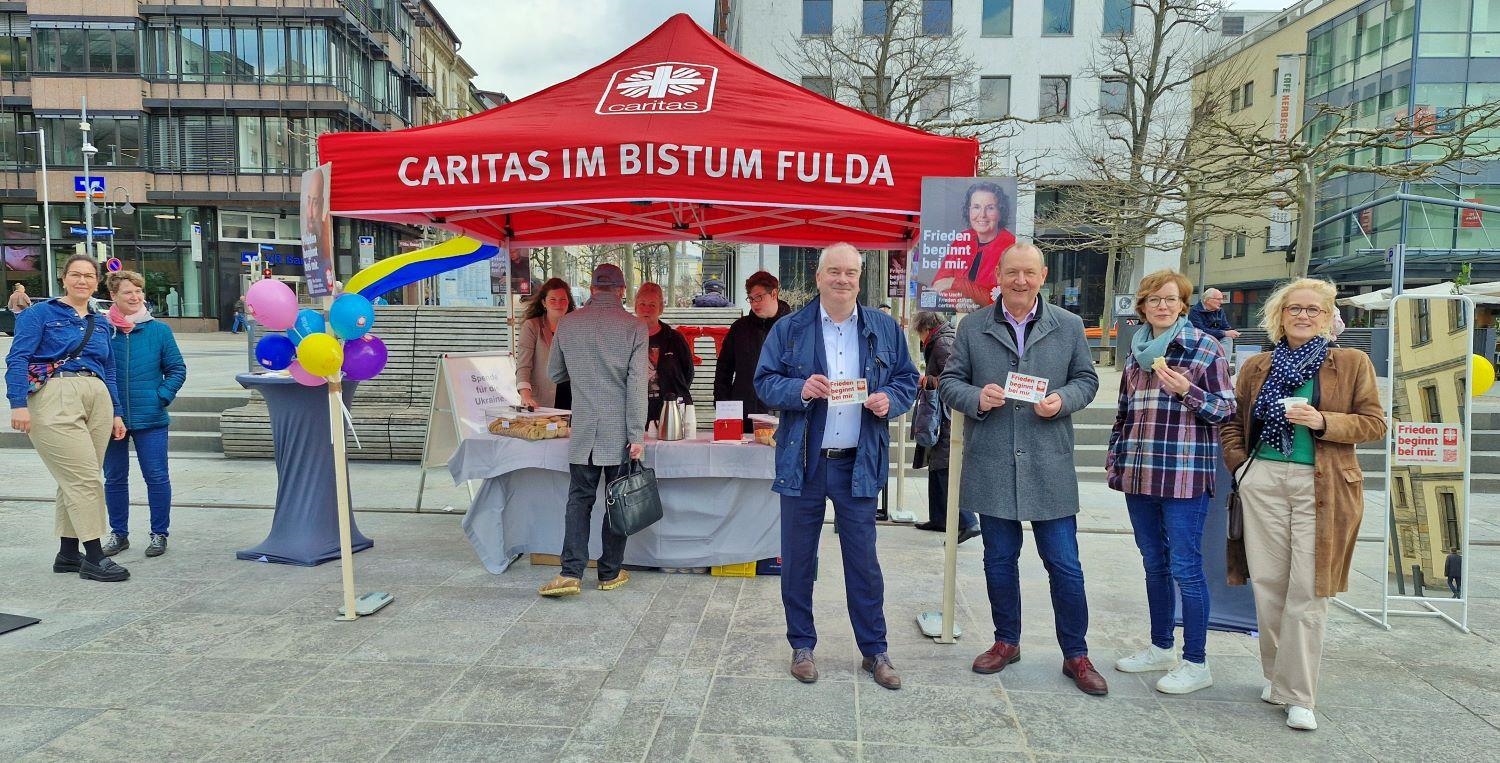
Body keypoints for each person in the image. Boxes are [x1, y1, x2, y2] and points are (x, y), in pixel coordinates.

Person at [937, 242, 1107, 695]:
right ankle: (1005, 641)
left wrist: (1063, 400)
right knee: (998, 561)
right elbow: (949, 382)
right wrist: (976, 398)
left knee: (1064, 564)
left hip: (1048, 462)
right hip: (992, 460)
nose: (1020, 281)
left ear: (1043, 275)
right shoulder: (972, 327)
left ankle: (1076, 653)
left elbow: (1087, 381)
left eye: (1029, 273)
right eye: (1012, 272)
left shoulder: (1068, 326)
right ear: (999, 274)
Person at [1220, 277, 1385, 732]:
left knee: (1308, 589)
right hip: (1264, 480)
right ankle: (1278, 679)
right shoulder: (1258, 366)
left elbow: (1374, 423)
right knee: (1269, 584)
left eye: (1313, 309)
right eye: (1295, 308)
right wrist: (1241, 467)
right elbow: (1233, 422)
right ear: (1281, 315)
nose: (1303, 315)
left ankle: (1299, 695)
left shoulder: (1350, 363)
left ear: (1329, 317)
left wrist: (1322, 420)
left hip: (1324, 485)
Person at [753, 243, 919, 691]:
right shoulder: (789, 328)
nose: (842, 279)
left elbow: (907, 378)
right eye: (834, 271)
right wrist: (800, 389)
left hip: (857, 464)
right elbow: (764, 381)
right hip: (804, 463)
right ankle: (802, 645)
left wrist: (893, 399)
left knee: (863, 562)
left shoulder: (883, 328)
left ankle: (875, 651)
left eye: (850, 272)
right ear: (818, 275)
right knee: (799, 560)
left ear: (860, 278)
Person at [1106, 270, 1235, 695]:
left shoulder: (1204, 348)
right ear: (1142, 306)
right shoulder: (1136, 353)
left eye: (1171, 299)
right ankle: (1161, 646)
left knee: (1186, 568)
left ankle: (1196, 661)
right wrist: (1115, 464)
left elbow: (1224, 411)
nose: (1162, 306)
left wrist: (1186, 391)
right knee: (1153, 564)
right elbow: (1124, 414)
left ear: (1183, 305)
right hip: (1140, 476)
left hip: (1184, 479)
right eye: (1154, 299)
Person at [4, 254, 129, 582]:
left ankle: (68, 553)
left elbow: (110, 368)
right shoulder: (38, 314)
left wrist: (116, 411)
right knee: (85, 478)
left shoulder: (100, 321)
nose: (83, 281)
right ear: (63, 278)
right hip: (55, 394)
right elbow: (18, 358)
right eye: (76, 275)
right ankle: (95, 557)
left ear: (97, 281)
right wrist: (18, 403)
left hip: (97, 396)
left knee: (75, 479)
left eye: (89, 276)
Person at [538, 263, 647, 597]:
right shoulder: (635, 327)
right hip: (619, 433)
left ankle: (570, 572)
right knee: (617, 501)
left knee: (579, 500)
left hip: (583, 428)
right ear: (622, 290)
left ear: (591, 288)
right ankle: (610, 573)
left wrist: (586, 372)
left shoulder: (568, 324)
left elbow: (555, 373)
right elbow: (637, 386)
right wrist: (636, 435)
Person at [100, 270, 187, 559]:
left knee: (157, 476)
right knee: (114, 478)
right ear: (113, 296)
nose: (135, 297)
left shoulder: (159, 331)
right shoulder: (102, 330)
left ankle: (159, 533)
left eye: (138, 291)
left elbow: (177, 369)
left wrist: (160, 397)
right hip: (111, 418)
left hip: (151, 417)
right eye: (128, 292)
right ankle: (119, 534)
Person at [910, 311, 978, 541]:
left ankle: (968, 520)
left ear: (926, 328)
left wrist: (927, 381)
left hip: (947, 414)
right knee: (936, 465)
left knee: (945, 467)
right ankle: (939, 518)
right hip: (940, 412)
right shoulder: (941, 340)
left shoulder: (943, 343)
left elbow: (955, 379)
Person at [714, 271, 790, 425]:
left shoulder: (792, 328)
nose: (754, 303)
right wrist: (723, 406)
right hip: (742, 414)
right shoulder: (739, 328)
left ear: (774, 294)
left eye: (759, 297)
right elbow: (723, 370)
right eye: (751, 299)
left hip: (780, 415)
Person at [931, 181, 1017, 308]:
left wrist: (955, 283)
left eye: (990, 208)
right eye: (976, 207)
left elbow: (995, 299)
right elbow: (938, 284)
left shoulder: (1010, 246)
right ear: (968, 210)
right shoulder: (962, 239)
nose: (982, 215)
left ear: (1000, 212)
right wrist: (960, 301)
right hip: (962, 317)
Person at [635, 282, 694, 426]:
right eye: (642, 304)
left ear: (661, 309)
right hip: (636, 411)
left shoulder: (674, 338)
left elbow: (688, 373)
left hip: (670, 410)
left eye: (652, 305)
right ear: (636, 306)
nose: (646, 309)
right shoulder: (625, 337)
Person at [516, 278, 575, 410]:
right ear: (544, 302)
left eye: (563, 299)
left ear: (569, 302)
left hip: (573, 398)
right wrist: (525, 396)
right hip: (542, 401)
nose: (558, 304)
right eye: (553, 300)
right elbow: (523, 365)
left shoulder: (576, 327)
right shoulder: (532, 326)